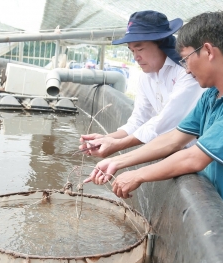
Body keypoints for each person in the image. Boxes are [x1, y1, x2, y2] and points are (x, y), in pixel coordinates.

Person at [84, 11, 223, 263]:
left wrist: (138, 174)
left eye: (185, 59)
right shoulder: (212, 95)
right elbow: (174, 137)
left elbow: (195, 158)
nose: (184, 68)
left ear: (207, 51)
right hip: (210, 217)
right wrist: (118, 162)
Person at [79, 10, 204, 158]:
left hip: (200, 155)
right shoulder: (147, 77)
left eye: (140, 49)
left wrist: (118, 146)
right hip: (177, 153)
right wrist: (106, 139)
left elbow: (165, 122)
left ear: (161, 43)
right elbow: (139, 120)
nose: (136, 57)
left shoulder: (187, 73)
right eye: (132, 51)